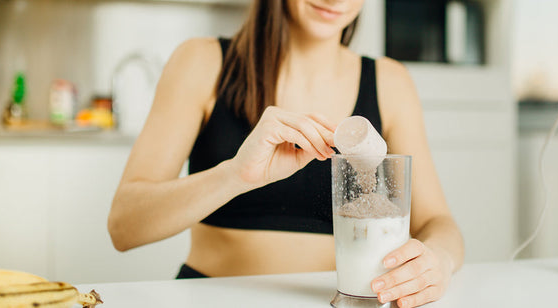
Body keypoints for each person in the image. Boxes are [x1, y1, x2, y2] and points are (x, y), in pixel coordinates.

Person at [107, 0, 465, 307]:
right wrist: (235, 175)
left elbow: (438, 224)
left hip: (332, 301)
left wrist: (439, 260)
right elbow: (124, 227)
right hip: (210, 299)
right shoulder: (201, 62)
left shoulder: (391, 81)